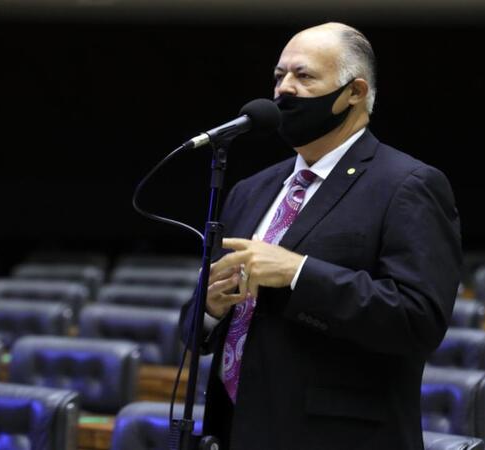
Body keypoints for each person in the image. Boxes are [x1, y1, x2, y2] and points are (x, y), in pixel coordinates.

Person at [180, 22, 462, 450]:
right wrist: (210, 310)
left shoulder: (409, 184)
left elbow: (418, 320)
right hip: (235, 430)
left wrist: (299, 273)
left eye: (304, 76)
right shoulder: (251, 189)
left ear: (355, 92)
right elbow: (195, 324)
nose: (284, 89)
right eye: (279, 76)